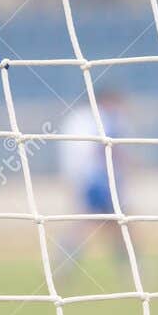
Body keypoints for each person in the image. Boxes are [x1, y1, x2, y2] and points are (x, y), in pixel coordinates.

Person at [56, 87, 131, 277]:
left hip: (86, 180)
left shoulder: (79, 118)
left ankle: (63, 266)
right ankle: (130, 267)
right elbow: (102, 149)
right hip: (97, 181)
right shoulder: (100, 119)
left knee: (93, 224)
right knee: (117, 223)